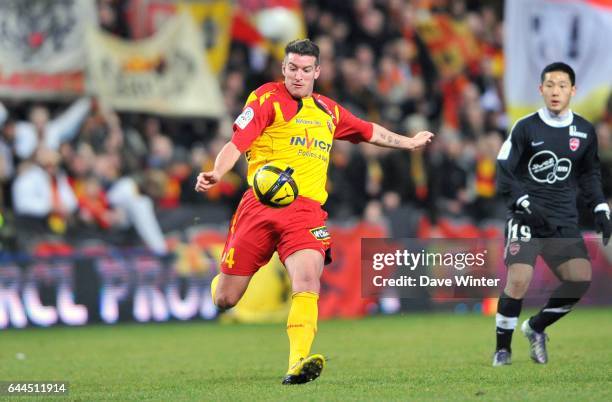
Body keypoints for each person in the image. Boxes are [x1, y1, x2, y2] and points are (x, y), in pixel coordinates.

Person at [195, 39, 434, 384]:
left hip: (305, 212)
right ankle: (220, 284)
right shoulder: (265, 99)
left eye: (306, 69)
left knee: (308, 279)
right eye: (292, 68)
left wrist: (408, 141)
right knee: (225, 299)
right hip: (259, 208)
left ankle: (297, 363)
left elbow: (369, 131)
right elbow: (237, 143)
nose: (298, 75)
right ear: (283, 68)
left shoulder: (328, 111)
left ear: (317, 72)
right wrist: (217, 172)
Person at [493, 62, 611, 366]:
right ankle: (502, 351)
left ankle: (536, 327)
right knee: (518, 281)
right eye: (550, 85)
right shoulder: (525, 127)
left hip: (562, 220)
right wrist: (523, 203)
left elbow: (589, 175)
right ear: (541, 90)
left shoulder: (584, 131)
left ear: (573, 90)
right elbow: (504, 169)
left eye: (562, 85)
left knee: (579, 280)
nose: (555, 91)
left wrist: (600, 206)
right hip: (526, 218)